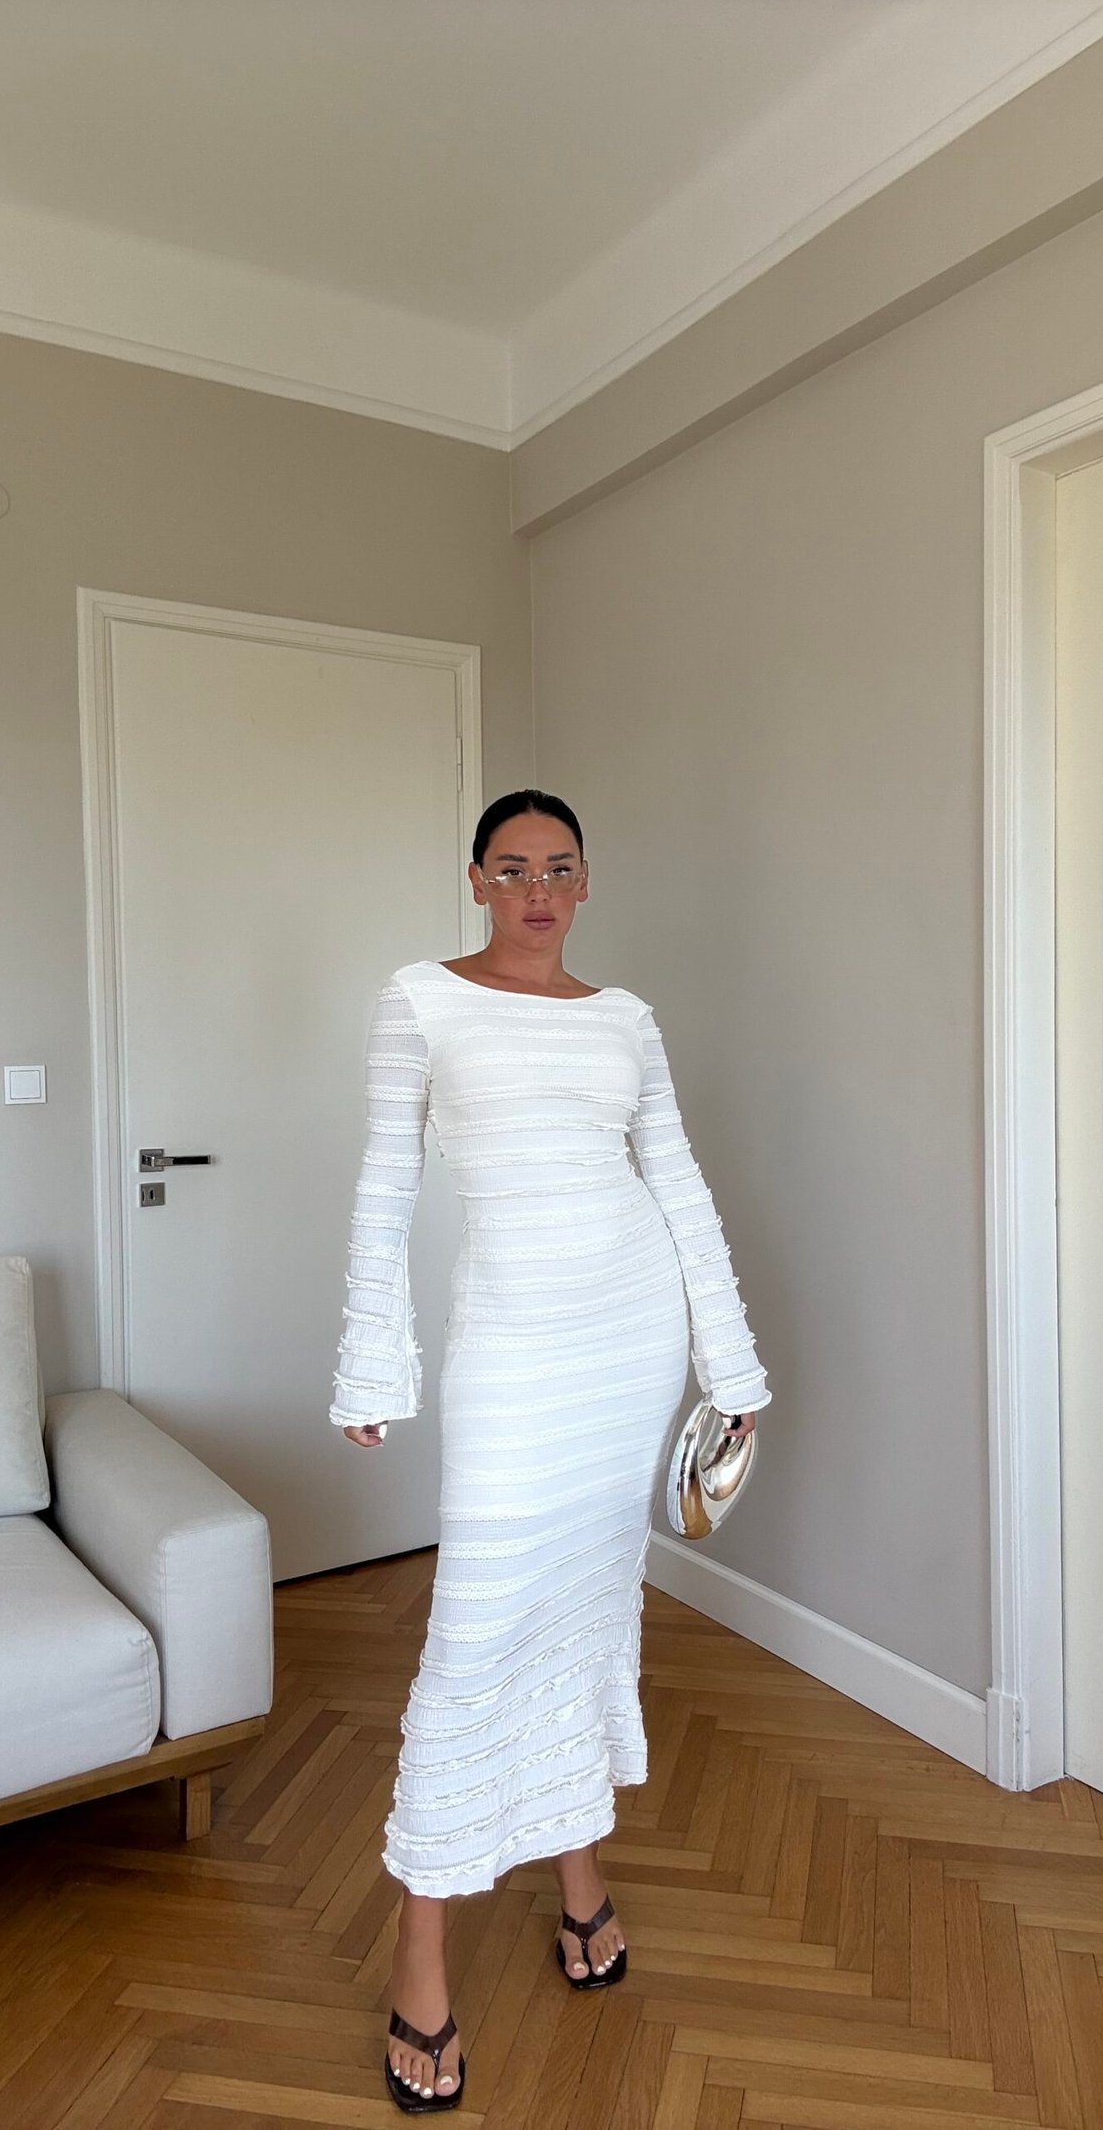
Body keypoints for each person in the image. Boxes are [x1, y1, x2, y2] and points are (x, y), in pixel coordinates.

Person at [328, 788, 771, 2112]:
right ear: (475, 878)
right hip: (515, 1350)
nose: (537, 890)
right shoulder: (421, 999)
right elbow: (386, 1183)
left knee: (588, 1609)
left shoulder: (625, 1018)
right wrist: (372, 1359)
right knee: (475, 1636)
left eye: (558, 868)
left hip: (628, 1338)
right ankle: (420, 1953)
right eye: (513, 867)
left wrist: (732, 1364)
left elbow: (677, 1184)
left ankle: (580, 1873)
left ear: (585, 883)